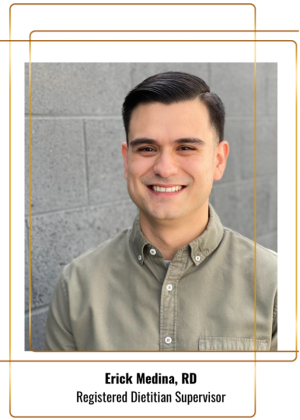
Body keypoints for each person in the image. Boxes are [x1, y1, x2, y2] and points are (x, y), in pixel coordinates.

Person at [44, 71, 277, 351]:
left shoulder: (276, 285)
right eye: (147, 148)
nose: (165, 168)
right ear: (126, 160)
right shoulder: (77, 286)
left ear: (218, 160)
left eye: (186, 147)